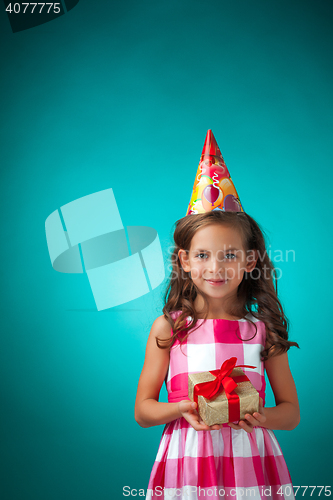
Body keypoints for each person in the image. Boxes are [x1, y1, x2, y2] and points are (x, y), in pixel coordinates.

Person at [135, 209, 300, 500]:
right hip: (188, 460)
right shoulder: (169, 328)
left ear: (250, 261)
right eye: (202, 255)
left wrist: (261, 417)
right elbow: (143, 412)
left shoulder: (263, 330)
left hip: (250, 458)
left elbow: (291, 414)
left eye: (229, 255)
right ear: (184, 260)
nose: (216, 268)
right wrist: (180, 409)